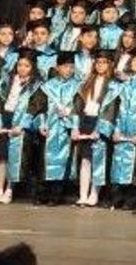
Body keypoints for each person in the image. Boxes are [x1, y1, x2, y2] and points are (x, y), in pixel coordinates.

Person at [0, 51, 43, 204]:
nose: (22, 68)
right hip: (5, 118)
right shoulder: (7, 82)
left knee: (14, 157)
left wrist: (22, 126)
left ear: (33, 67)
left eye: (26, 66)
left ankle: (9, 190)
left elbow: (35, 107)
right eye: (20, 65)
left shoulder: (36, 86)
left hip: (20, 123)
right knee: (1, 156)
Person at [103, 48, 136, 210]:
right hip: (121, 131)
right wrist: (116, 130)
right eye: (135, 60)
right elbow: (116, 109)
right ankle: (119, 197)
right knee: (119, 162)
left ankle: (133, 199)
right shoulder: (123, 86)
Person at [33, 51, 80, 205]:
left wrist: (70, 115)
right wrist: (41, 124)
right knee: (44, 161)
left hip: (66, 129)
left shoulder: (78, 86)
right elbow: (38, 108)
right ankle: (42, 193)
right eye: (65, 66)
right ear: (57, 67)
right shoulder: (47, 86)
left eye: (71, 67)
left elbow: (80, 108)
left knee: (63, 161)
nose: (69, 70)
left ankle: (56, 194)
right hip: (50, 127)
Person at [72, 49, 114, 207]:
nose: (100, 65)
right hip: (85, 121)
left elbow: (111, 109)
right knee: (84, 160)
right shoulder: (86, 83)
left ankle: (94, 193)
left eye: (104, 62)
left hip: (100, 121)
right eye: (98, 62)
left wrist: (100, 128)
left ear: (110, 65)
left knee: (98, 160)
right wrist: (75, 127)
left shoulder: (113, 85)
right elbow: (77, 106)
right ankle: (83, 194)